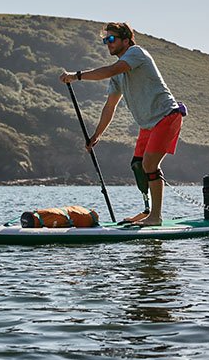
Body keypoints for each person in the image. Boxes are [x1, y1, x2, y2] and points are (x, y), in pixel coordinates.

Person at [60, 22, 185, 227]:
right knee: (138, 166)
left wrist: (77, 76)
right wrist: (96, 136)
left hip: (166, 115)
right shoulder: (118, 76)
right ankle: (147, 211)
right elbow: (110, 107)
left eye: (111, 39)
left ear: (126, 41)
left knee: (150, 165)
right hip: (147, 123)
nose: (107, 43)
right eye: (105, 40)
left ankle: (156, 216)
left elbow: (111, 69)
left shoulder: (136, 53)